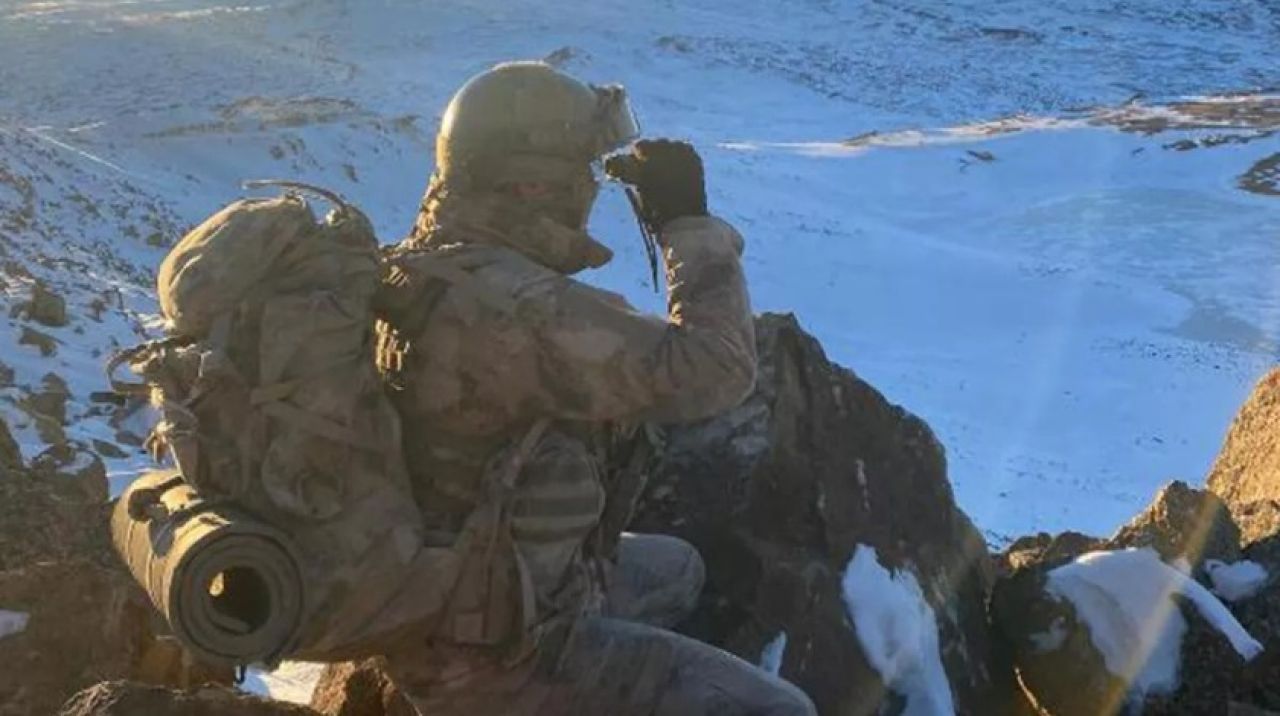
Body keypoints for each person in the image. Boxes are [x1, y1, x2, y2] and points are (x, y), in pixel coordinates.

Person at [375, 60, 816, 715]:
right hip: (494, 654)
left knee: (679, 569)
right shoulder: (514, 310)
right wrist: (688, 226)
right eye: (579, 172)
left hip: (464, 587)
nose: (589, 189)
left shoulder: (423, 265)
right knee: (782, 711)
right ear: (530, 185)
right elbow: (714, 369)